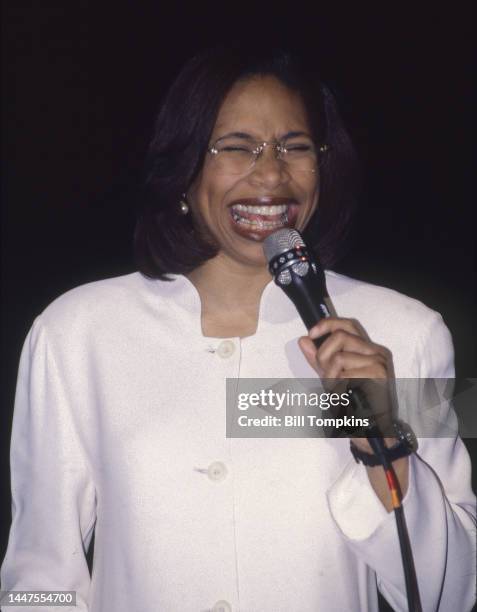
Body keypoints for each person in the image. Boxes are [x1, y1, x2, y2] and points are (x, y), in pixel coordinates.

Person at [1, 46, 475, 612]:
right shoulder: (76, 333)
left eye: (295, 147)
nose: (272, 173)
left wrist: (384, 444)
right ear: (183, 169)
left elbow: (454, 592)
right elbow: (37, 575)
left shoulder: (408, 332)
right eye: (236, 147)